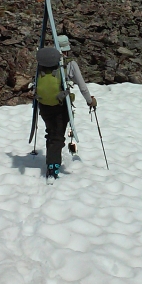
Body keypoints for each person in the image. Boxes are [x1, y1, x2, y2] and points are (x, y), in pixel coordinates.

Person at [35, 35, 97, 181]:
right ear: (66, 50)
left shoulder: (43, 63)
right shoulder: (70, 64)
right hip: (61, 106)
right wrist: (90, 101)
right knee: (57, 136)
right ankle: (53, 167)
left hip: (44, 105)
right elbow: (82, 86)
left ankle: (51, 160)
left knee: (51, 132)